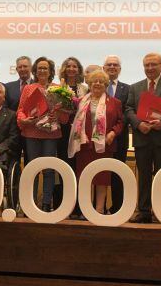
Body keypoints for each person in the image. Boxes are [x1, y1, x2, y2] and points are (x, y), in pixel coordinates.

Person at [126, 53, 161, 223]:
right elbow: (128, 109)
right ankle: (144, 211)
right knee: (143, 175)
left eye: (153, 64)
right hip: (142, 138)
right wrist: (138, 124)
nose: (150, 68)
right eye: (146, 65)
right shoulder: (135, 87)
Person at [17, 57, 69, 212]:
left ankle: (46, 203)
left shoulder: (59, 89)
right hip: (32, 132)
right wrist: (24, 120)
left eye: (45, 68)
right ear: (35, 70)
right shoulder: (28, 88)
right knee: (32, 168)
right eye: (39, 68)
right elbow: (20, 110)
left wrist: (57, 116)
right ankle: (30, 203)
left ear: (51, 71)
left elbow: (65, 115)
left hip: (50, 135)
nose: (42, 71)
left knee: (48, 170)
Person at [68, 69, 123, 213]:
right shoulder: (80, 101)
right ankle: (86, 211)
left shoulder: (115, 102)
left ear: (106, 85)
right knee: (85, 179)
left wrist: (113, 132)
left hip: (104, 146)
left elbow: (121, 121)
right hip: (84, 145)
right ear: (89, 84)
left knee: (102, 180)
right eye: (94, 81)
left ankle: (98, 211)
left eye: (101, 81)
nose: (97, 84)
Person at [55, 57, 87, 211]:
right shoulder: (57, 87)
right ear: (64, 69)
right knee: (64, 165)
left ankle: (78, 206)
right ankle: (63, 204)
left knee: (78, 166)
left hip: (79, 132)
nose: (71, 69)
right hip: (63, 130)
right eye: (68, 66)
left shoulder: (85, 88)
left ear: (79, 69)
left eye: (75, 66)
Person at [103, 55, 130, 214]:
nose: (112, 67)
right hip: (97, 138)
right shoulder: (95, 86)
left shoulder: (127, 89)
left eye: (115, 65)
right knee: (99, 172)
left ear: (119, 69)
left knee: (117, 172)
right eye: (109, 65)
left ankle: (117, 208)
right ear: (103, 68)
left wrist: (114, 131)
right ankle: (98, 206)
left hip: (119, 138)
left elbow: (127, 113)